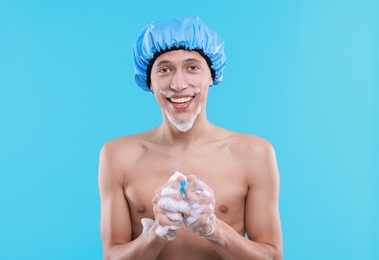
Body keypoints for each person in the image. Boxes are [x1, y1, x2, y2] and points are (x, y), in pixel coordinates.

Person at [98, 16, 283, 260]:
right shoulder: (117, 155)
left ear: (211, 76)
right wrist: (157, 234)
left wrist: (213, 228)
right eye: (164, 69)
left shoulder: (255, 153)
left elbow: (272, 257)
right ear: (149, 81)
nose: (178, 84)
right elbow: (111, 257)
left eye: (192, 67)